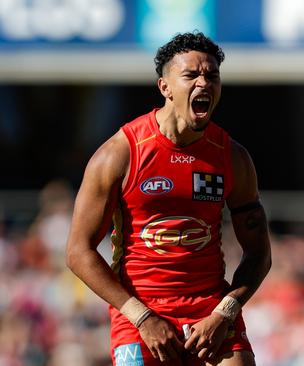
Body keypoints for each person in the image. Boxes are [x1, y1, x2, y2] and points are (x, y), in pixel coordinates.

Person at [66, 31, 272, 366]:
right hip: (141, 316)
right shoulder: (120, 154)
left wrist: (225, 312)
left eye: (212, 76)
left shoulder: (232, 158)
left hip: (212, 315)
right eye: (191, 75)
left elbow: (259, 251)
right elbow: (78, 252)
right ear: (165, 87)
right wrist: (142, 317)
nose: (204, 83)